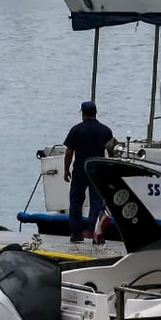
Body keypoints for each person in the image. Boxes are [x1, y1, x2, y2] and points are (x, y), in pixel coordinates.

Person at [63, 100, 118, 242]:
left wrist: (66, 170)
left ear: (83, 114)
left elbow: (69, 152)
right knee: (96, 202)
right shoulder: (106, 130)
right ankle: (93, 231)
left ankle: (76, 233)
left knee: (76, 201)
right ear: (96, 112)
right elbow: (113, 151)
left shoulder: (76, 130)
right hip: (98, 170)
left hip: (80, 170)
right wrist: (111, 169)